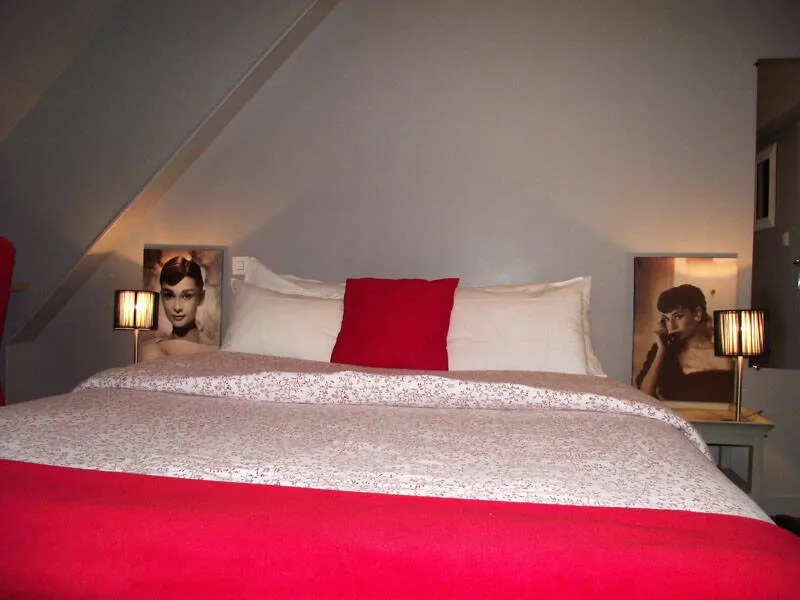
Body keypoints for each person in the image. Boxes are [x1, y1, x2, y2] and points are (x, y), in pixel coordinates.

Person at [635, 284, 733, 403]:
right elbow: (644, 397)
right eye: (666, 319)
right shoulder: (663, 350)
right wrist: (661, 350)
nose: (671, 327)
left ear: (697, 314)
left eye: (678, 317)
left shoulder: (722, 355)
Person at [139, 257, 216, 362]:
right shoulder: (150, 349)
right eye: (169, 295)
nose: (177, 307)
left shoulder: (215, 352)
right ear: (162, 298)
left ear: (201, 297)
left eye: (187, 296)